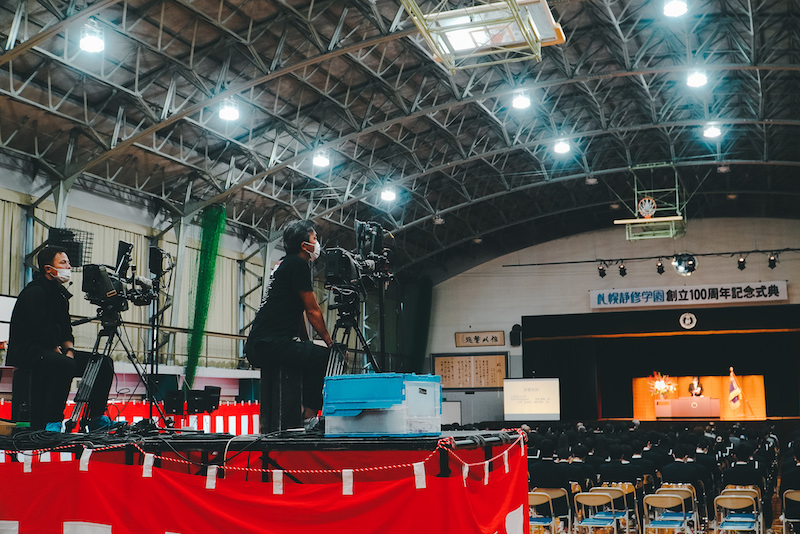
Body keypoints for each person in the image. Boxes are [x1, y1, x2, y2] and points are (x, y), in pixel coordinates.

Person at [7, 246, 115, 431]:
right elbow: (40, 329)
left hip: (50, 349)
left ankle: (96, 418)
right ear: (49, 269)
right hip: (29, 351)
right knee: (65, 365)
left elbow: (66, 329)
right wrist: (58, 352)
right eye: (63, 262)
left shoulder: (60, 296)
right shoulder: (34, 293)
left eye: (68, 262)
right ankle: (53, 421)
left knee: (103, 363)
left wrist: (69, 350)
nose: (69, 267)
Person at [244, 220, 333, 429]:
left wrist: (306, 342)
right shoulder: (299, 264)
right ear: (304, 245)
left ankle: (299, 414)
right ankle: (308, 415)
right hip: (271, 344)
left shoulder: (283, 263)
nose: (317, 243)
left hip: (259, 343)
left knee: (309, 354)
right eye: (314, 238)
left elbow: (297, 310)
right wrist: (330, 343)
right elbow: (312, 310)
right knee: (325, 357)